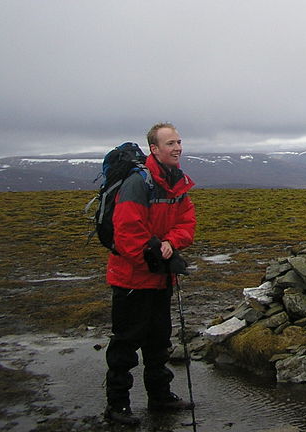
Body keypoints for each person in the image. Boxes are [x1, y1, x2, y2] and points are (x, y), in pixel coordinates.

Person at [104, 123, 197, 426]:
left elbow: (187, 222)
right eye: (170, 143)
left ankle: (160, 396)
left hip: (160, 278)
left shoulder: (177, 183)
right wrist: (156, 257)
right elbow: (127, 232)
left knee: (159, 341)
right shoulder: (137, 183)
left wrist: (171, 242)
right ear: (154, 149)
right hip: (131, 279)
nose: (177, 148)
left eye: (179, 142)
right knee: (126, 344)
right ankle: (117, 405)